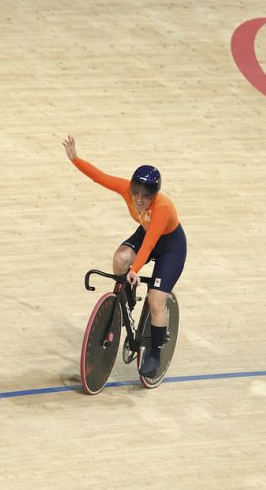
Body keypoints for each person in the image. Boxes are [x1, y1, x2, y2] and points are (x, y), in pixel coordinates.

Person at [62, 135, 186, 378]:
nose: (138, 200)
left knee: (155, 300)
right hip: (148, 234)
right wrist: (75, 159)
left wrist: (135, 270)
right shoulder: (127, 191)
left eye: (145, 196)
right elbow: (101, 177)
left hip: (170, 246)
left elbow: (149, 245)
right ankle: (127, 301)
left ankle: (154, 354)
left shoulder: (162, 208)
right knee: (120, 259)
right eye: (135, 193)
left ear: (155, 195)